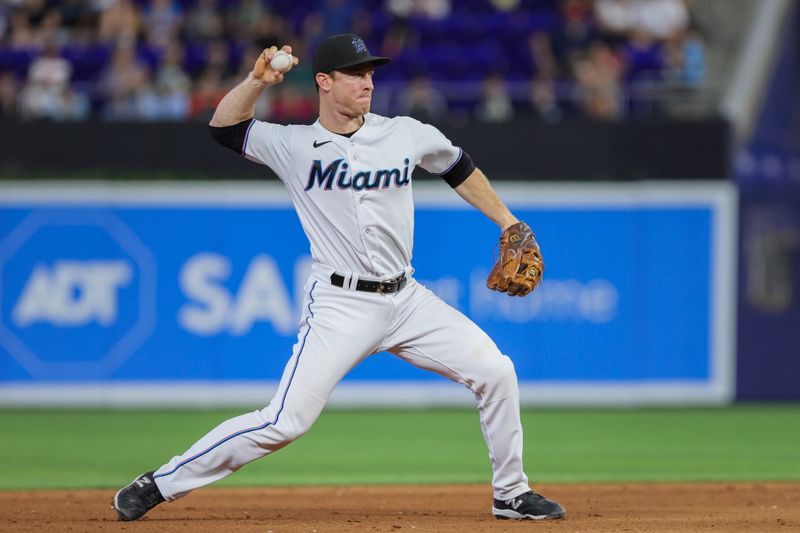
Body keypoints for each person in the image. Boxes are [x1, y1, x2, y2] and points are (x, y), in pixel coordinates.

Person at [112, 33, 565, 523]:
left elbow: (457, 166)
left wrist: (508, 222)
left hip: (407, 299)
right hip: (340, 305)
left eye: (370, 73)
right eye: (355, 73)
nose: (367, 82)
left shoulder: (404, 133)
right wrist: (255, 81)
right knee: (285, 422)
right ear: (324, 82)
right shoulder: (292, 144)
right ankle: (159, 483)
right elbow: (223, 127)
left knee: (497, 372)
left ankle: (511, 494)